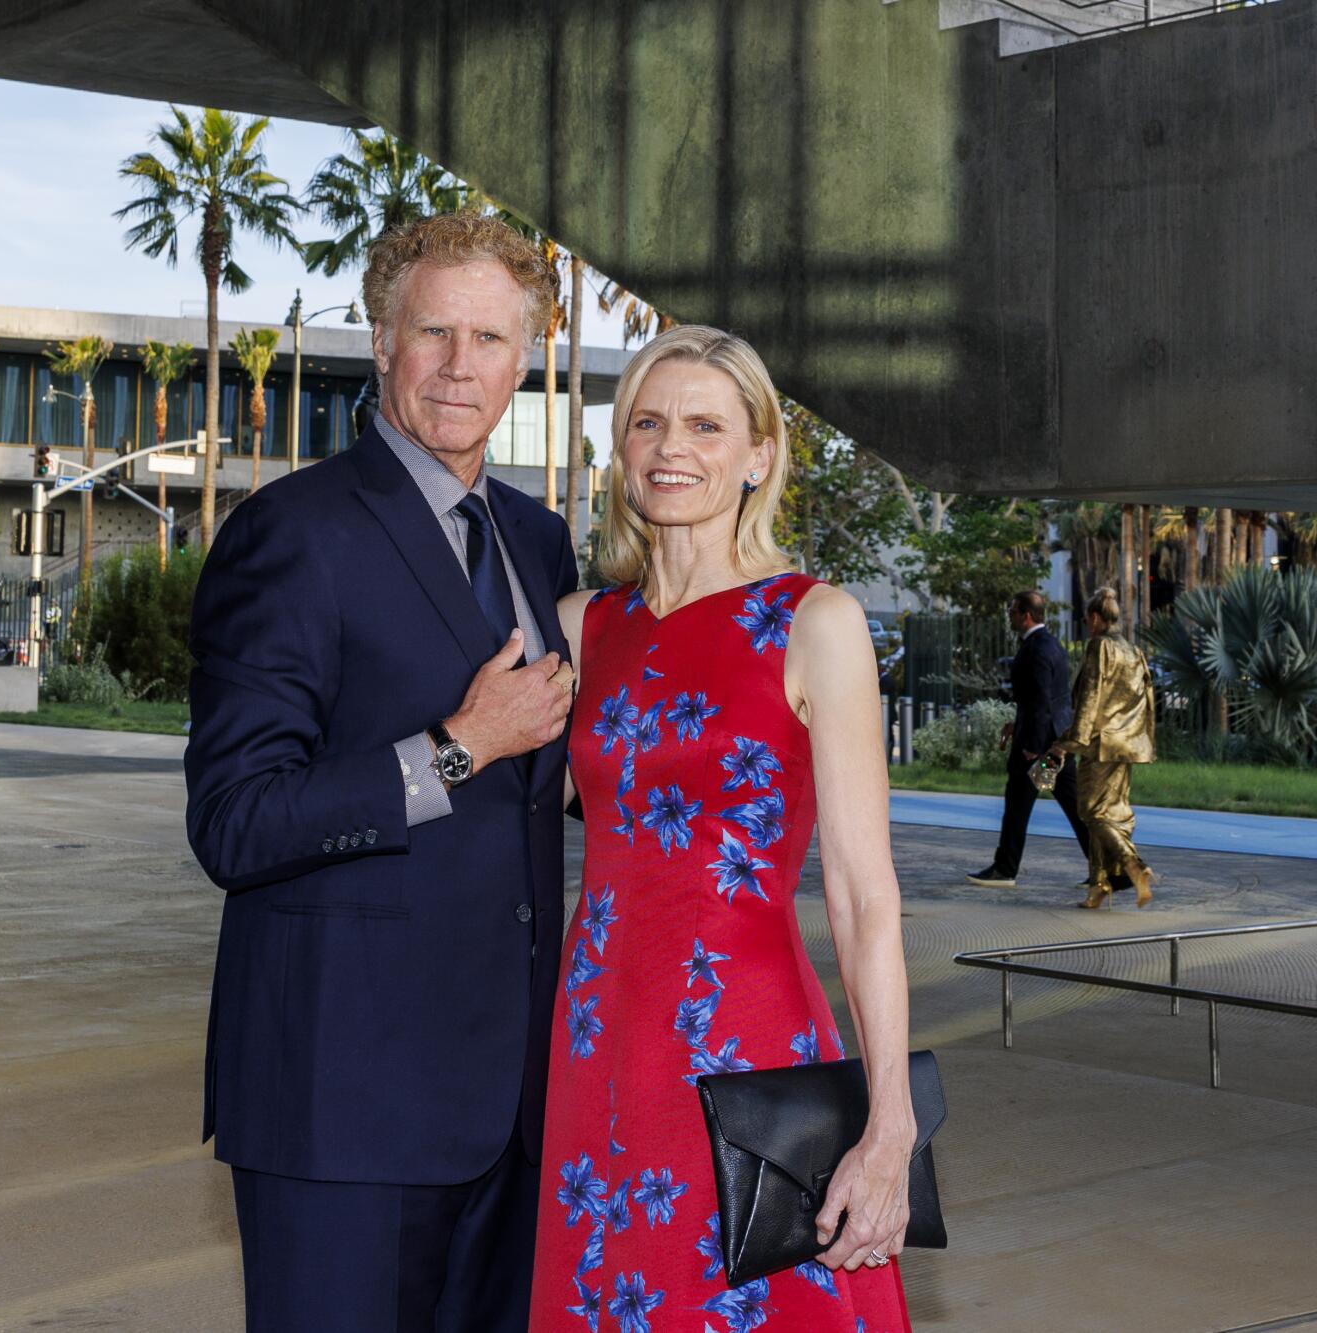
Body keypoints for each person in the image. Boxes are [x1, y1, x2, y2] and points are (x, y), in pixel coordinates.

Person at [184, 211, 578, 1332]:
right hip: (340, 1101)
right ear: (380, 340)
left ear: (526, 359)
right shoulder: (291, 531)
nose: (461, 367)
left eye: (491, 340)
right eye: (434, 333)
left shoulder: (535, 540)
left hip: (508, 1106)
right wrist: (454, 747)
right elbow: (235, 821)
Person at [529, 326, 915, 1331]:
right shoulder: (578, 628)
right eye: (648, 422)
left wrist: (889, 1124)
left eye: (705, 425)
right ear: (620, 448)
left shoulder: (813, 622)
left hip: (742, 1042)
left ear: (757, 455)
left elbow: (863, 895)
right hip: (595, 1034)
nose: (671, 448)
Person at [966, 590, 1117, 889]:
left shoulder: (1036, 649)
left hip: (1041, 747)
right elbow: (1047, 700)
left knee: (1018, 806)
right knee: (1073, 806)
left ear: (1026, 615)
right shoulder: (1051, 645)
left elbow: (1041, 702)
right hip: (1055, 742)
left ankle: (1005, 870)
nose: (1009, 616)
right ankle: (1103, 868)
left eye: (1012, 611)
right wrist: (1017, 723)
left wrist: (1033, 748)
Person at [1047, 588, 1156, 908]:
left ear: (1095, 618)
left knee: (1091, 812)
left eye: (1085, 619)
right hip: (1128, 744)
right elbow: (1145, 700)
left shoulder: (1100, 647)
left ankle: (1133, 864)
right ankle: (1099, 884)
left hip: (1100, 744)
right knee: (1113, 813)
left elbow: (1090, 699)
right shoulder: (1133, 651)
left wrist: (1070, 742)